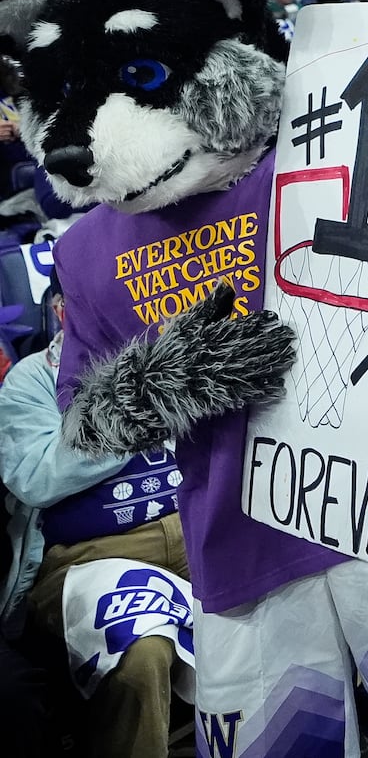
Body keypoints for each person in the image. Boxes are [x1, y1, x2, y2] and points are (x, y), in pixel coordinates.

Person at [0, 282, 189, 758]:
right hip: (89, 556)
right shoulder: (32, 379)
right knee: (140, 652)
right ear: (64, 311)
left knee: (295, 598)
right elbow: (36, 476)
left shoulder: (170, 351)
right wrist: (135, 404)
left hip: (195, 532)